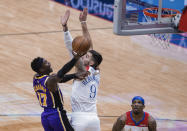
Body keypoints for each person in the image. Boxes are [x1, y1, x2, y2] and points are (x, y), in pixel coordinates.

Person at [61, 8, 103, 131]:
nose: (84, 54)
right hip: (94, 119)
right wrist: (83, 23)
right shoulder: (97, 71)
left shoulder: (82, 70)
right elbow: (89, 46)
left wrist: (65, 28)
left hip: (80, 118)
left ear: (91, 62)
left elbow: (70, 47)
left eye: (87, 56)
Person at [31, 54, 89, 131]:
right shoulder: (50, 80)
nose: (49, 63)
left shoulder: (36, 77)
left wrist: (75, 75)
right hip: (56, 115)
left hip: (45, 117)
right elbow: (61, 73)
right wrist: (75, 59)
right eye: (46, 63)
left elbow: (60, 79)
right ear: (41, 69)